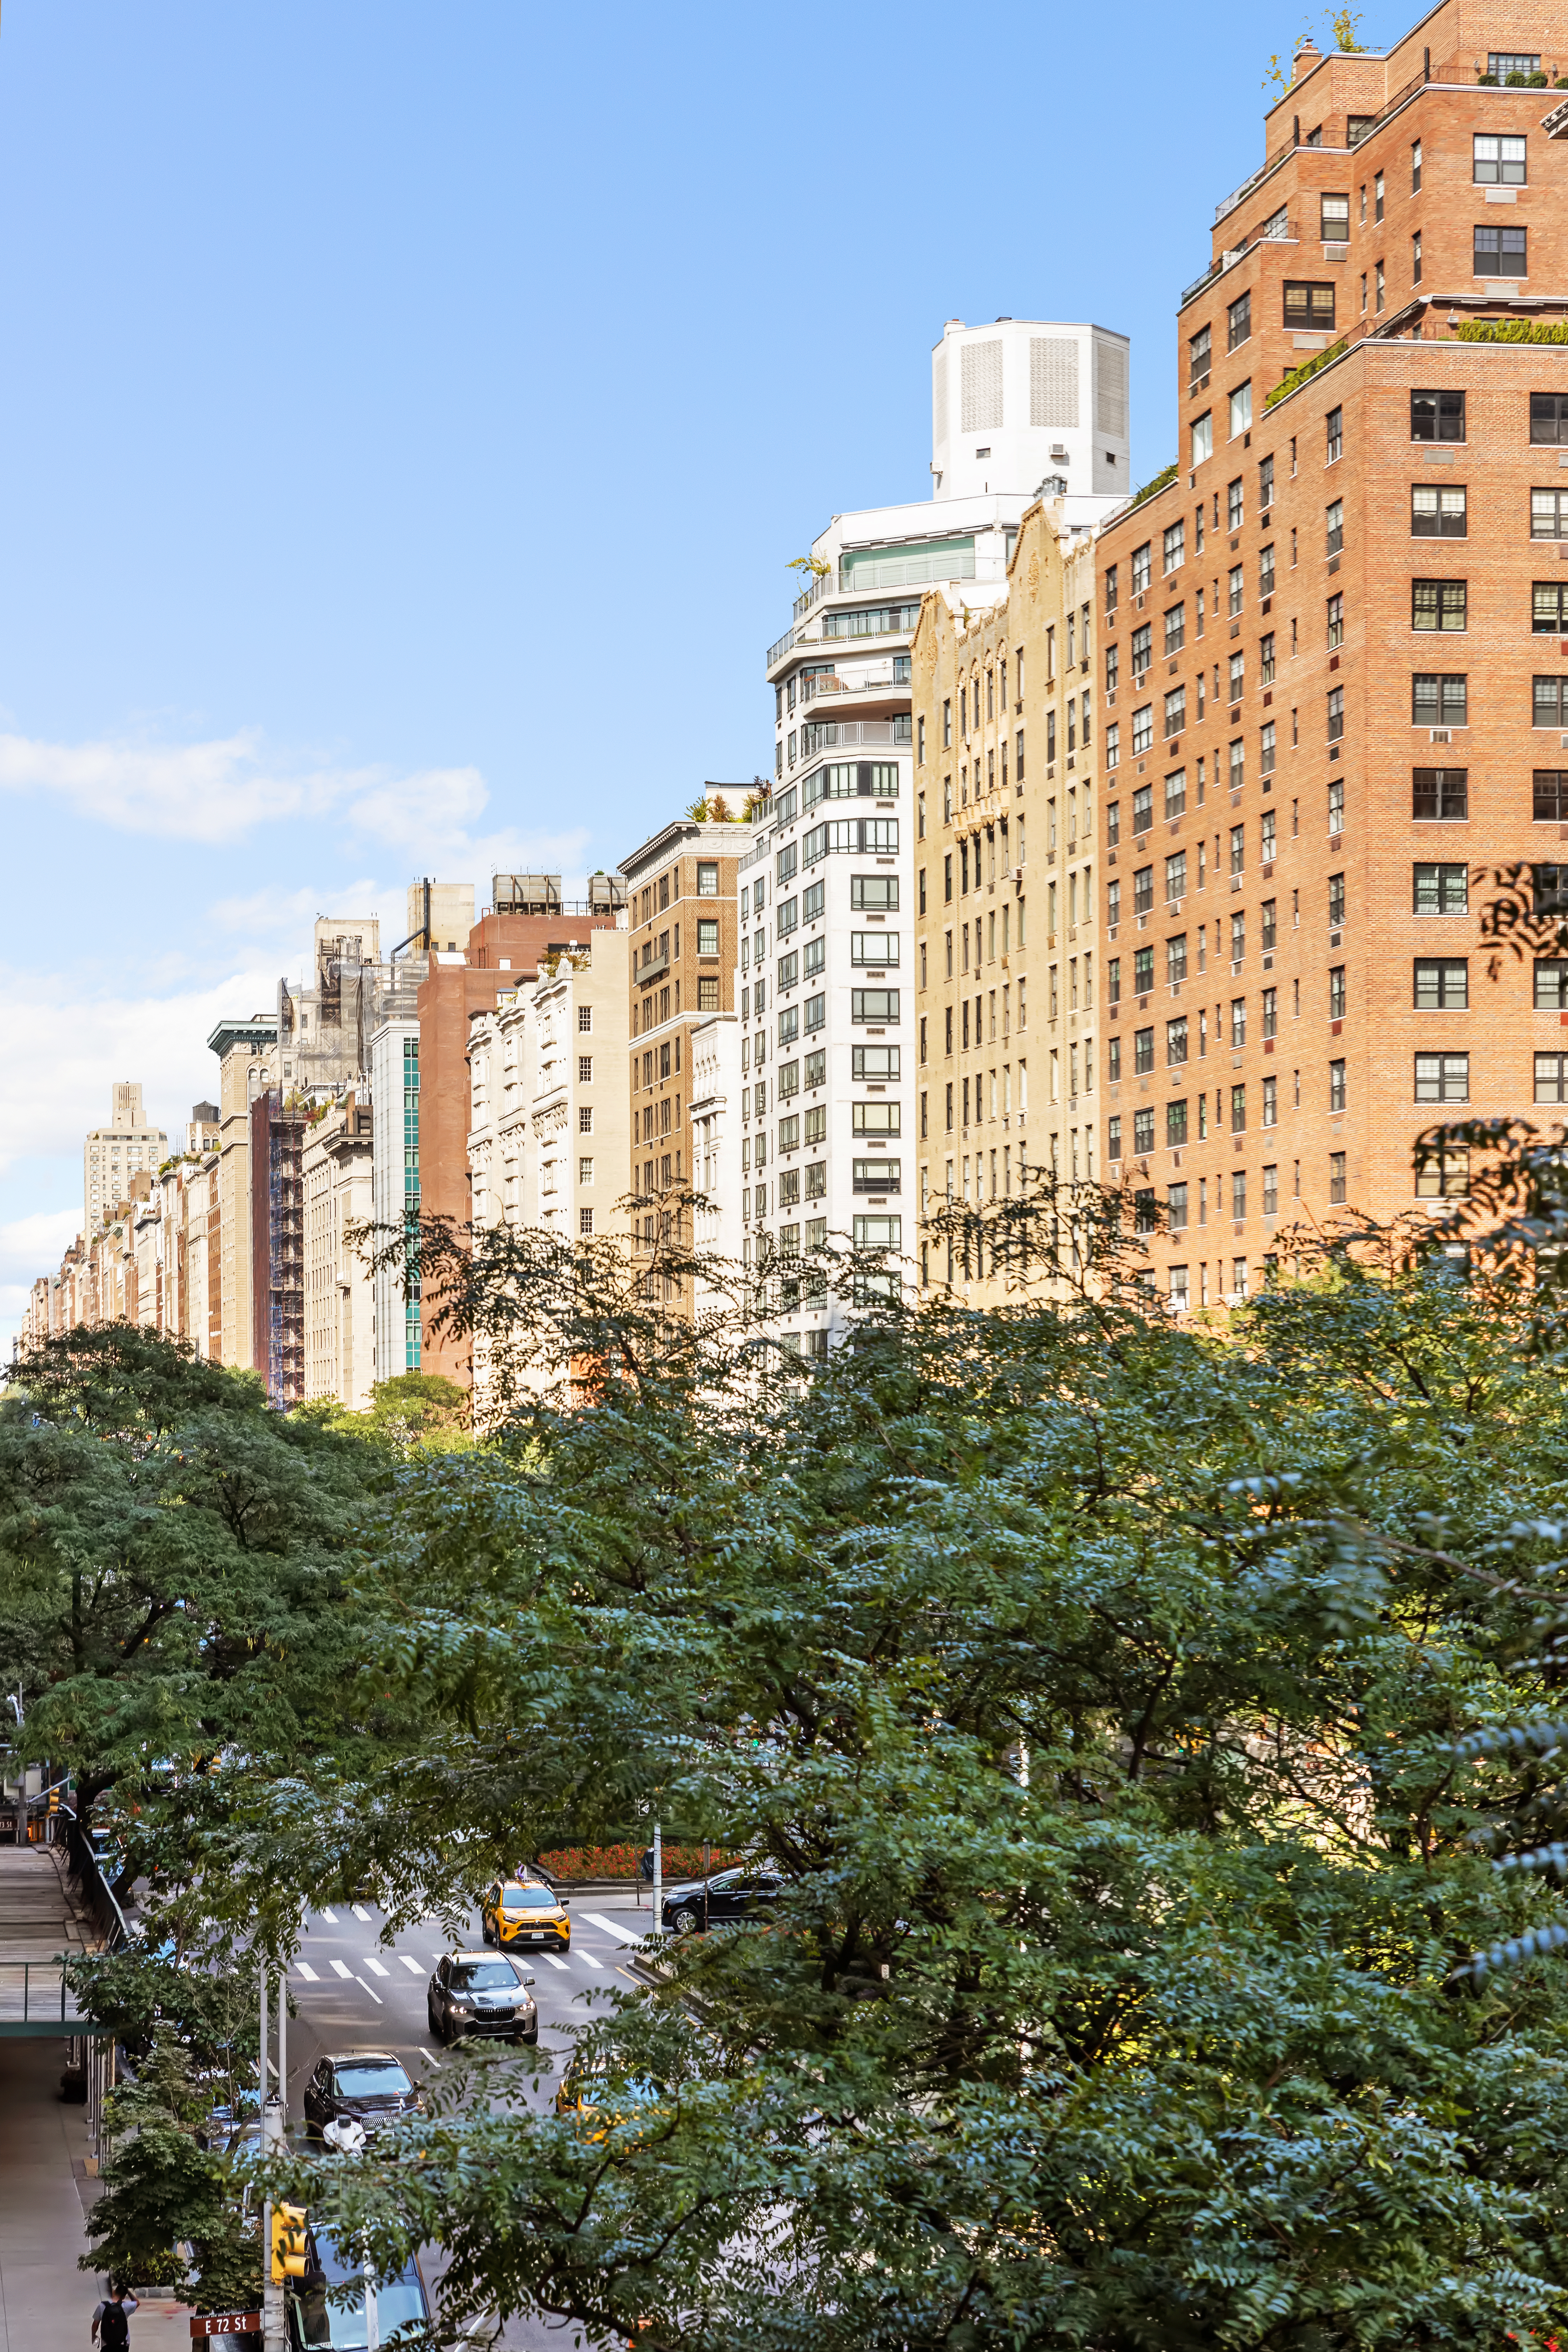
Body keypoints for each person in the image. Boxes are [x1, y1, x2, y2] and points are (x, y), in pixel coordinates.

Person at [91, 2282, 138, 2347]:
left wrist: (93, 2336)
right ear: (124, 2297)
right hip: (123, 2343)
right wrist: (128, 2292)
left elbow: (95, 2324)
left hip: (107, 2344)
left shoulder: (102, 2306)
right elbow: (137, 2303)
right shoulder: (126, 2306)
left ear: (114, 2292)